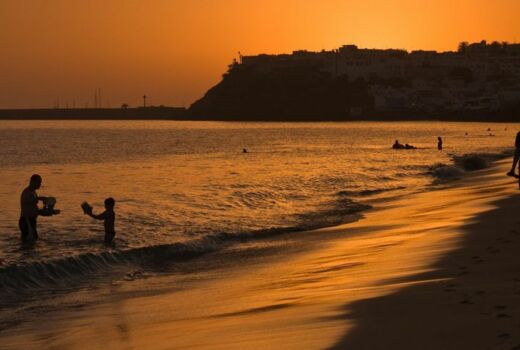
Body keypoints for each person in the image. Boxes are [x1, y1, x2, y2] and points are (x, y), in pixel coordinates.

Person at [19, 174, 47, 242]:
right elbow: (28, 201)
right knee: (29, 241)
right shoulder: (27, 191)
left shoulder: (33, 192)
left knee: (33, 241)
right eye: (39, 182)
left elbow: (32, 207)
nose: (40, 184)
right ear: (32, 182)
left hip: (31, 220)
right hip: (26, 220)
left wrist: (44, 212)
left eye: (40, 182)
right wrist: (40, 198)